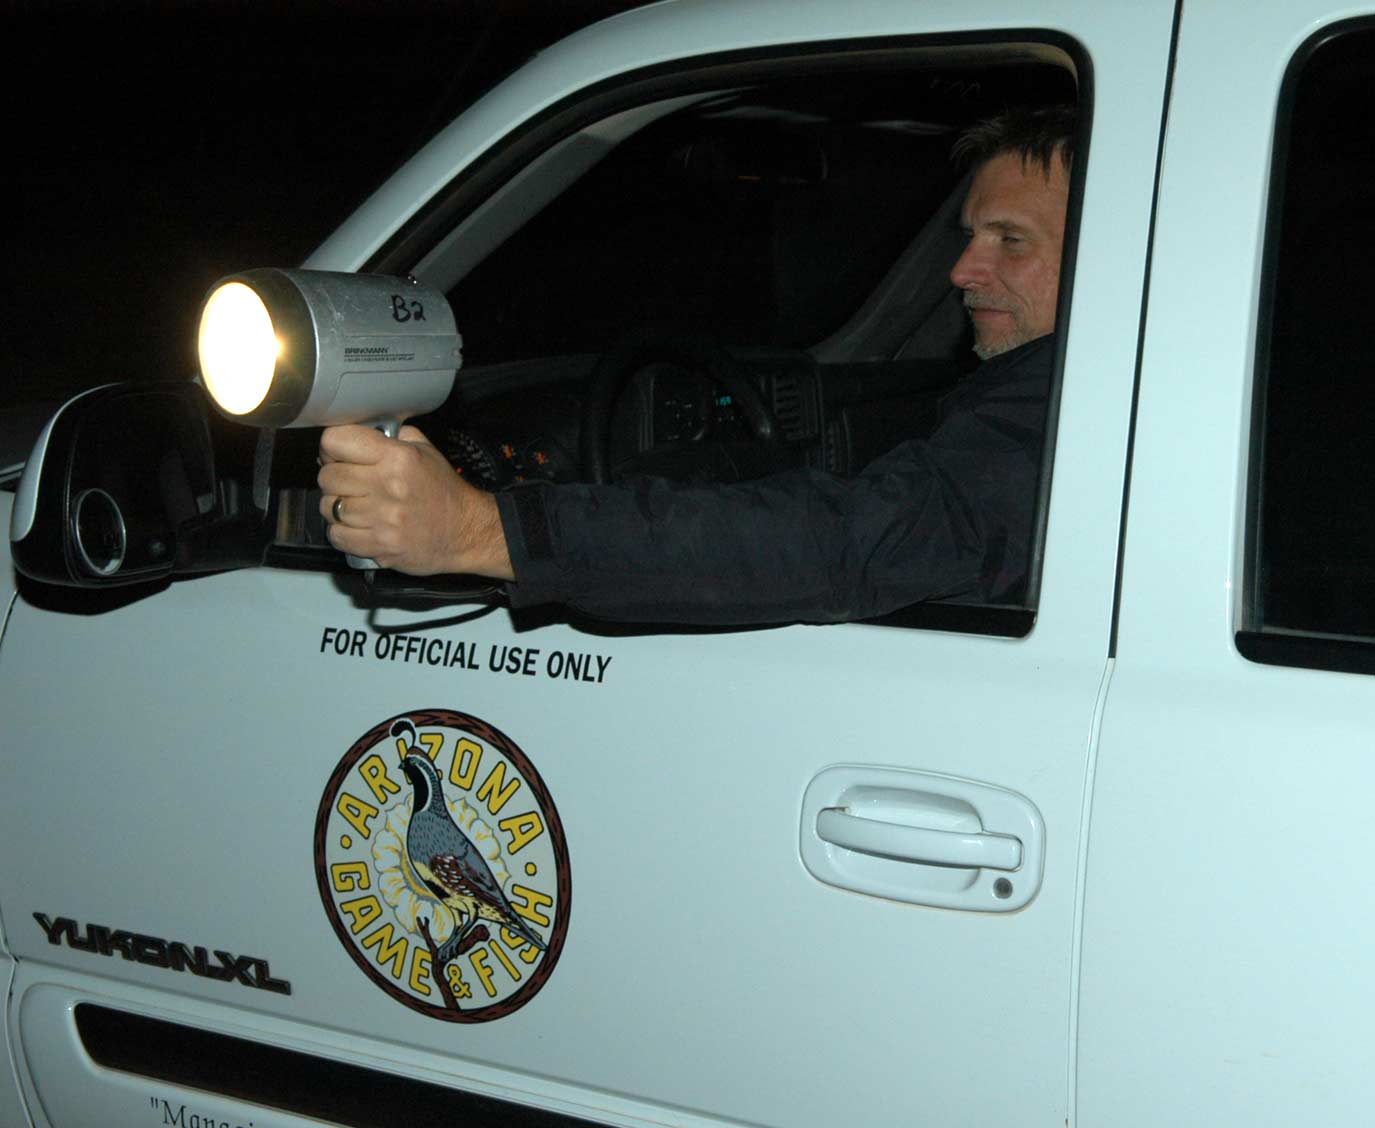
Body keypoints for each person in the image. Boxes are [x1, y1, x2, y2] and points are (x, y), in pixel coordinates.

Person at [317, 106, 1074, 624]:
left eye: (1011, 240)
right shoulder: (1061, 393)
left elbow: (851, 543)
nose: (962, 270)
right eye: (971, 235)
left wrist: (480, 529)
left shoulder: (1058, 416)